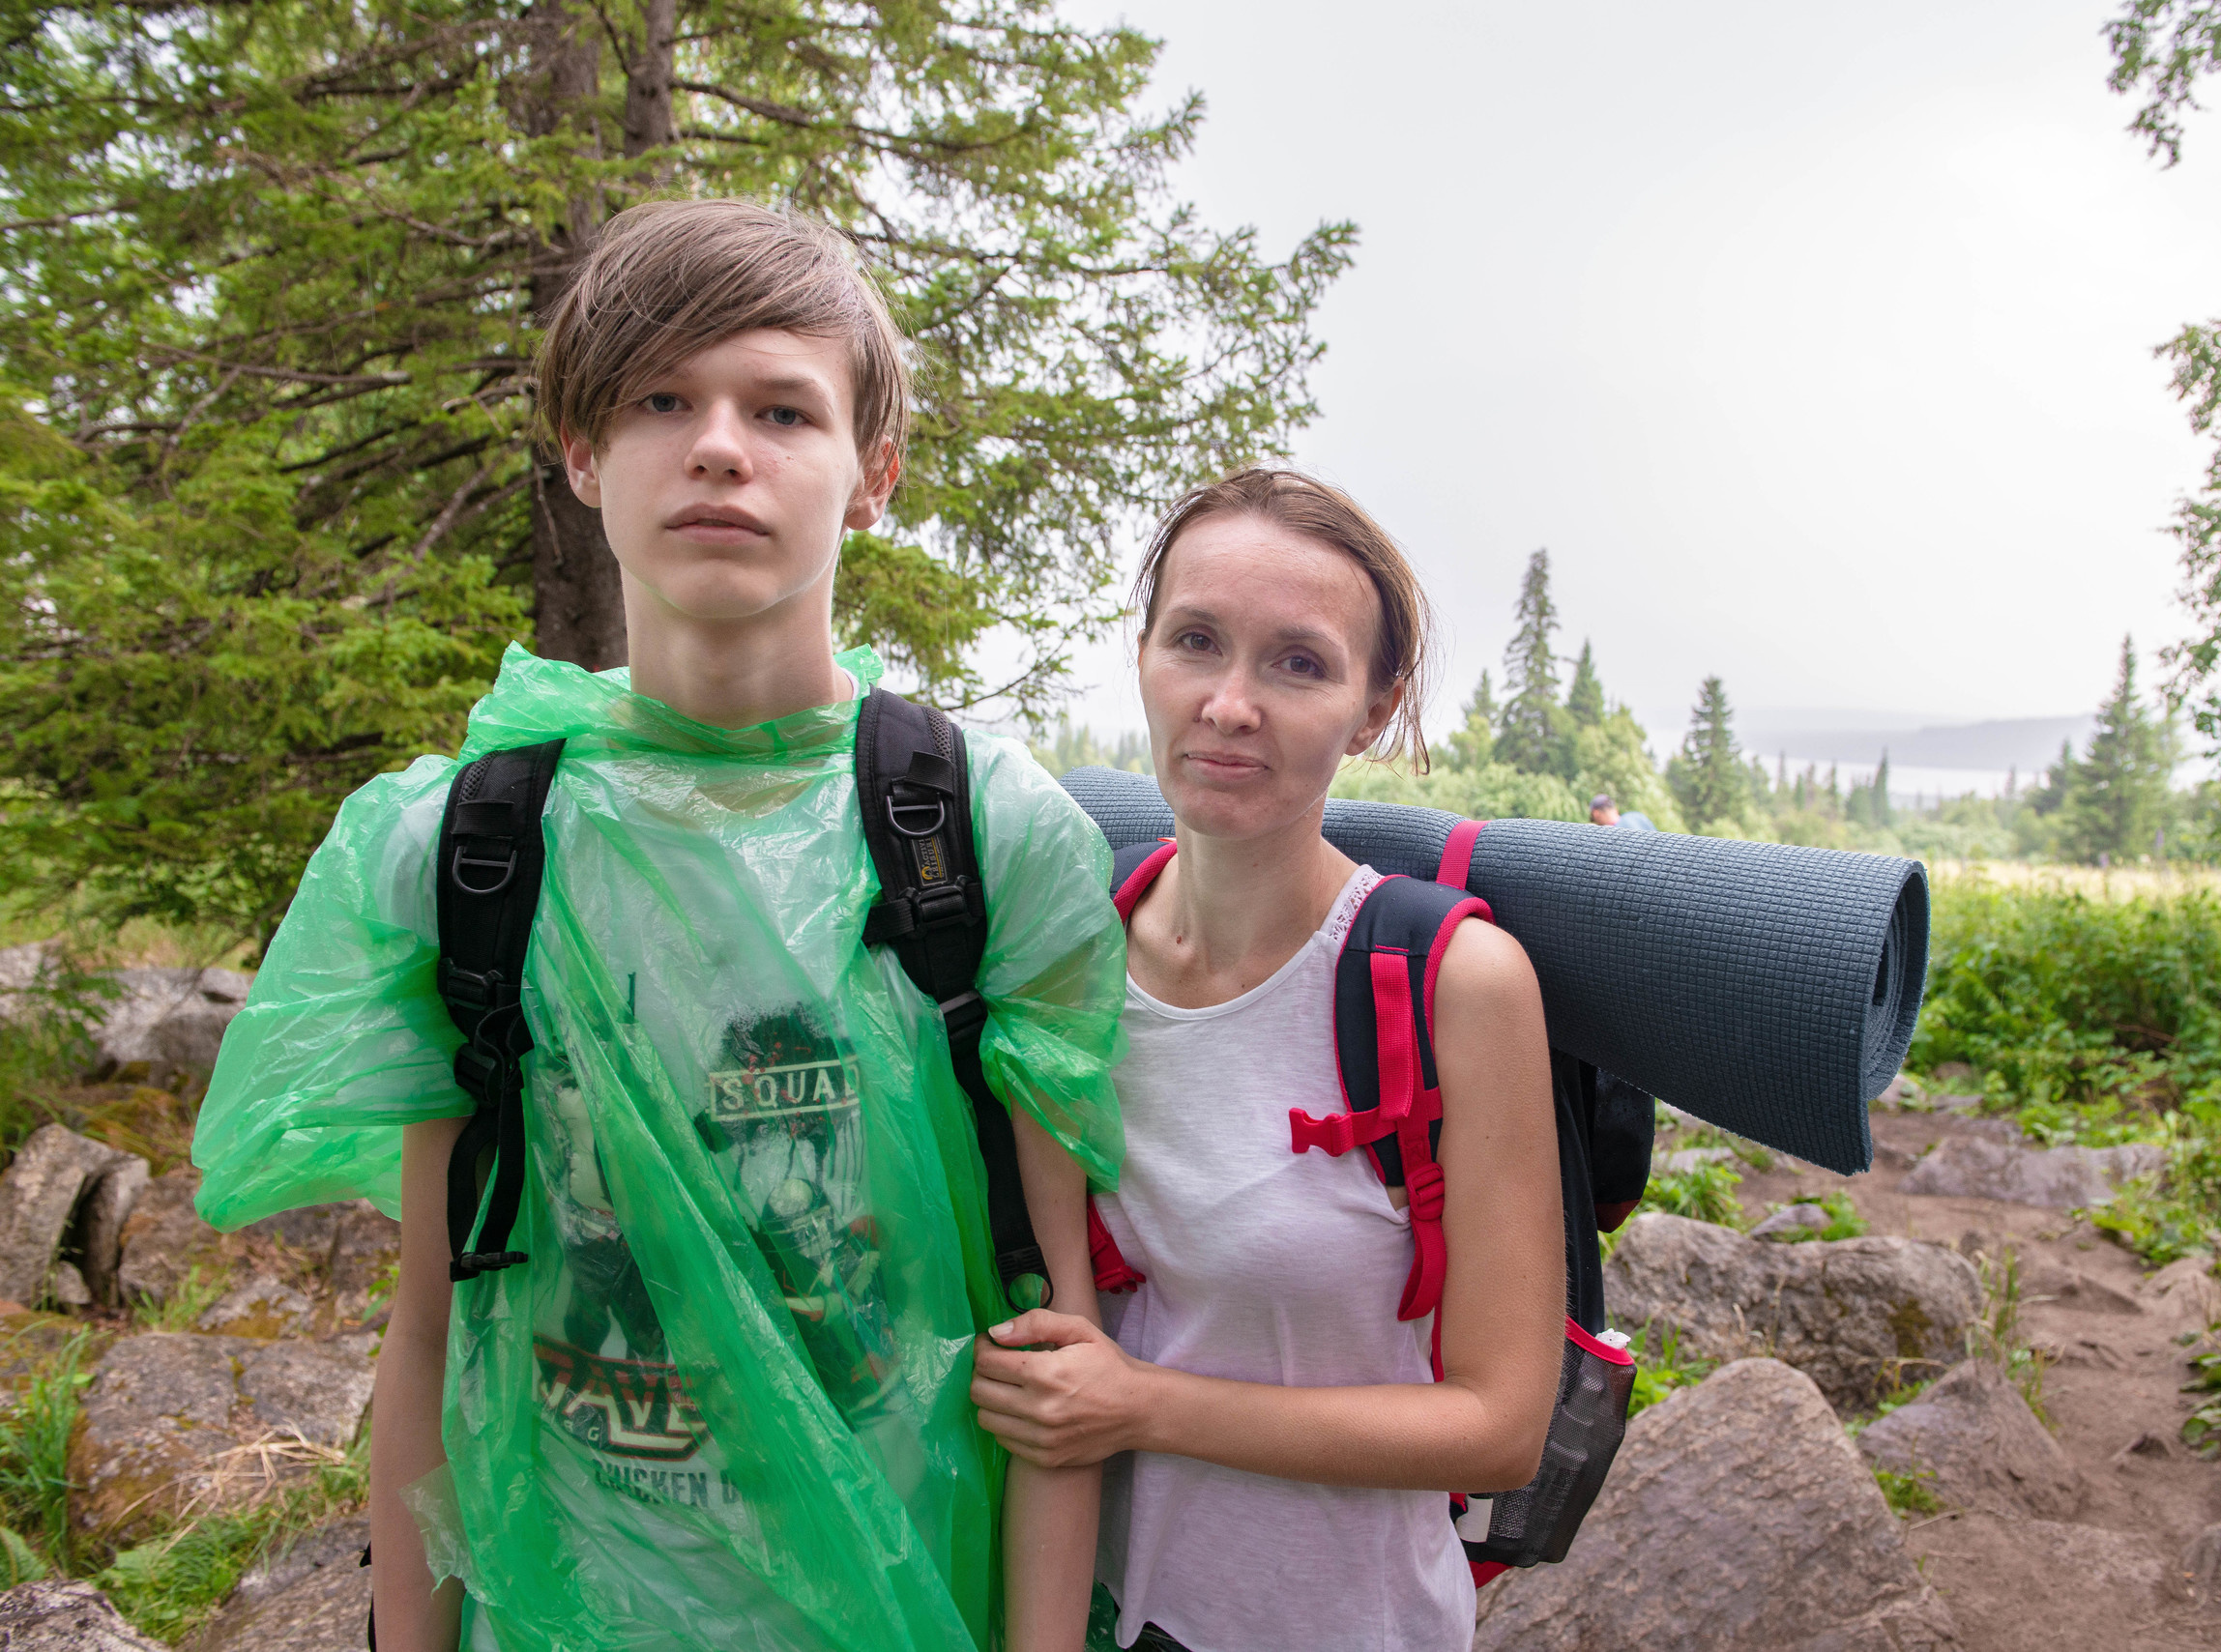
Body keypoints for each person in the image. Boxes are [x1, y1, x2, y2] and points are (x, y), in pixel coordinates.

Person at [190, 199, 1123, 1652]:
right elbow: (441, 1329)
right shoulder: (463, 850)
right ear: (583, 453)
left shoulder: (981, 835)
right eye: (660, 399)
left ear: (871, 476)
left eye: (783, 409)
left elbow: (1051, 1347)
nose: (718, 447)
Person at [969, 470, 1565, 1652]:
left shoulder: (1455, 984)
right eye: (1196, 640)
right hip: (1087, 1610)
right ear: (1142, 653)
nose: (1230, 703)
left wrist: (1139, 1405)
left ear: (1376, 706)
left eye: (1299, 663)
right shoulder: (1061, 957)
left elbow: (1500, 1425)